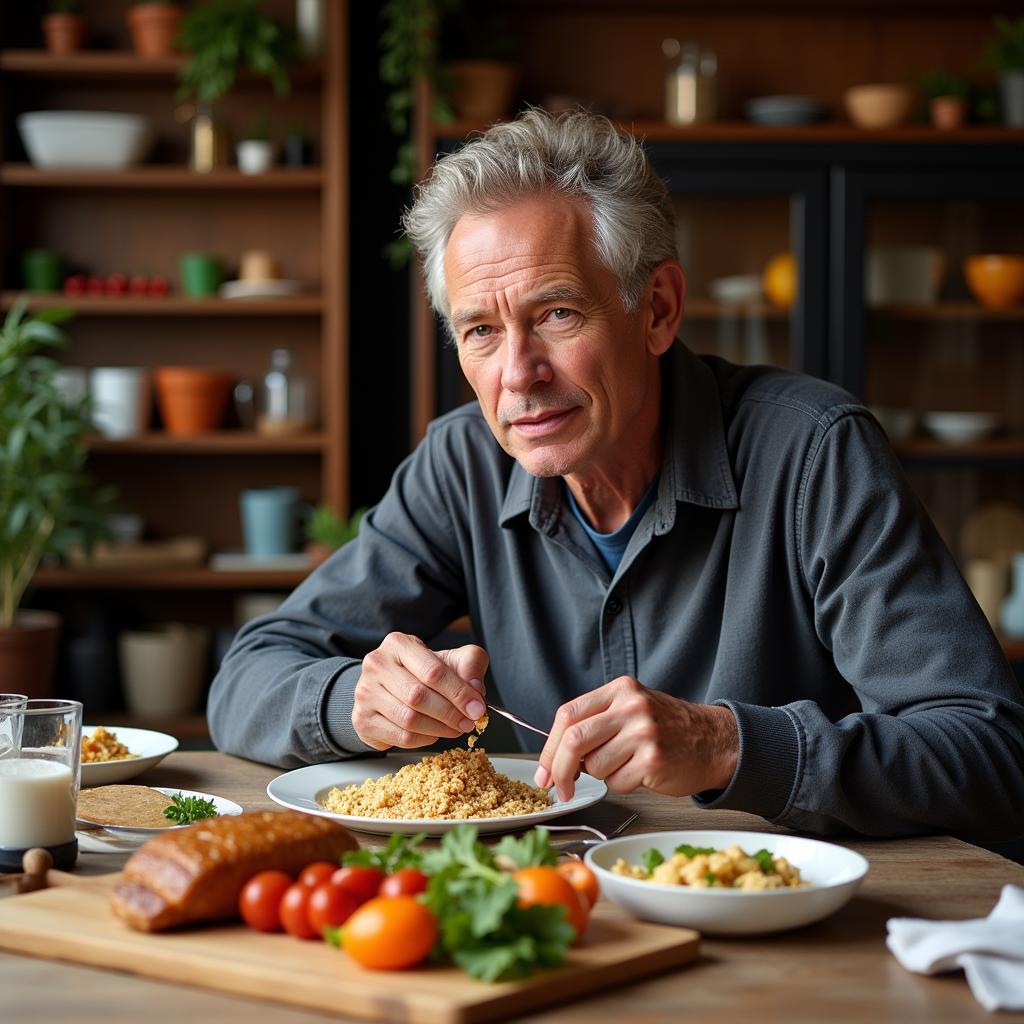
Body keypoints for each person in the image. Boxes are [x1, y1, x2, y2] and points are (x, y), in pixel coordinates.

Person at [209, 108, 1024, 840]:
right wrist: (354, 699)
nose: (517, 375)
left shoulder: (815, 452)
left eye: (557, 313)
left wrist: (728, 744)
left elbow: (989, 754)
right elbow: (245, 681)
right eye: (481, 331)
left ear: (659, 309)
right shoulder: (462, 461)